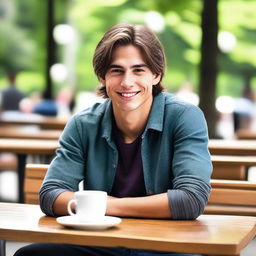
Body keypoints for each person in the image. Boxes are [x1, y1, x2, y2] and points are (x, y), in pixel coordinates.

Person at [14, 23, 212, 256]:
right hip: (102, 243)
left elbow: (190, 200)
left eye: (139, 70)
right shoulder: (83, 124)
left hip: (167, 247)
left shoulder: (184, 117)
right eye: (117, 70)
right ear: (102, 76)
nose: (127, 82)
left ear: (156, 75)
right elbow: (51, 194)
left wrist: (103, 206)